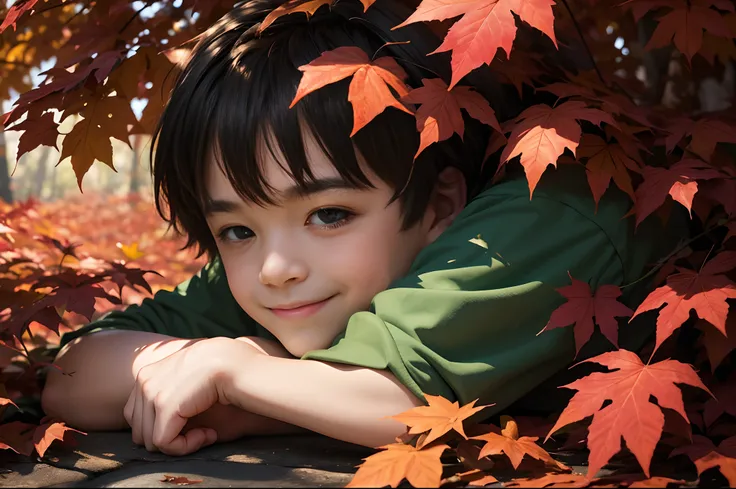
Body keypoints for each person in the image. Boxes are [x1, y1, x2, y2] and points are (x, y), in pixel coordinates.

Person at [41, 0, 678, 457]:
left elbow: (396, 405)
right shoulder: (286, 257)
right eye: (235, 228)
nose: (274, 268)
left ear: (439, 205)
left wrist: (236, 375)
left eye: (329, 214)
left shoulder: (549, 209)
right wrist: (246, 369)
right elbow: (73, 376)